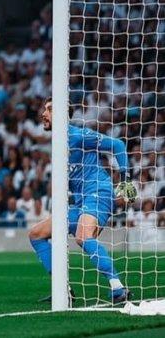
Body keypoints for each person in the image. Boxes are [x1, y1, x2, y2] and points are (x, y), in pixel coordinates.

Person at [27, 98, 132, 304]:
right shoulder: (58, 145)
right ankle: (62, 289)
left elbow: (118, 145)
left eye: (49, 109)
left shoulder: (77, 135)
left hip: (99, 192)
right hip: (81, 202)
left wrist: (125, 180)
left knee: (83, 236)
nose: (43, 114)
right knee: (36, 234)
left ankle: (118, 288)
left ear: (62, 114)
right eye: (44, 109)